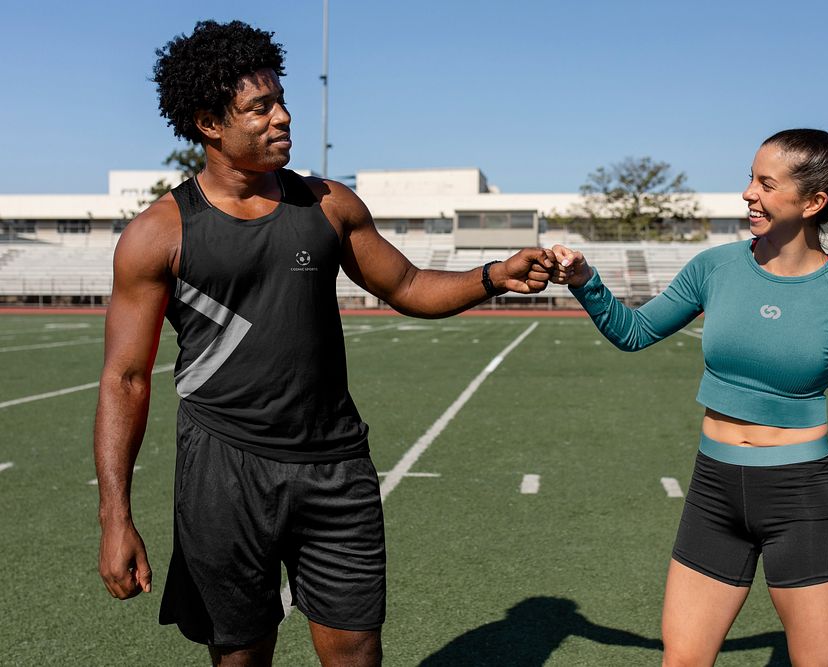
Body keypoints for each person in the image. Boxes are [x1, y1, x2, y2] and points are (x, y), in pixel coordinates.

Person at [94, 20, 554, 667]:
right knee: (241, 651)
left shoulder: (329, 205)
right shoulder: (158, 234)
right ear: (208, 123)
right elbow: (125, 379)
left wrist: (493, 275)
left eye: (283, 102)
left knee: (356, 648)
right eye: (261, 108)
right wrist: (115, 516)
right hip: (224, 468)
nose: (283, 117)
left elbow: (411, 283)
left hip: (335, 464)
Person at [551, 129, 828, 666]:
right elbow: (633, 332)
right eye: (750, 178)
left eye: (766, 183)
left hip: (801, 502)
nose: (748, 193)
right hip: (714, 492)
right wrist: (585, 280)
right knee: (681, 661)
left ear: (813, 203)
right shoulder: (715, 268)